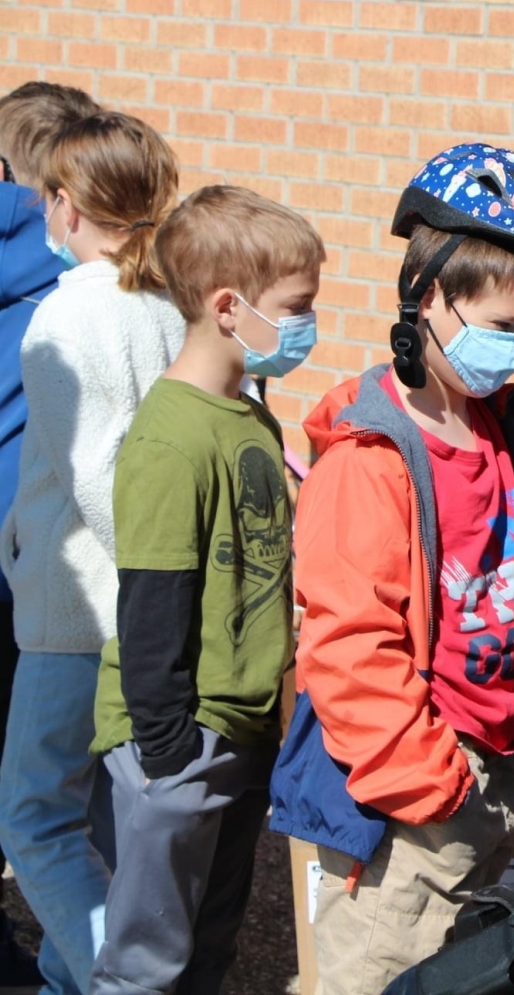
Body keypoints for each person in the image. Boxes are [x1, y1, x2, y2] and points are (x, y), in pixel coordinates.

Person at [268, 144, 514, 995]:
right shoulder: (372, 457)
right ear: (427, 300)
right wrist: (431, 783)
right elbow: (348, 643)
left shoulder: (494, 425)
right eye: (497, 329)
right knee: (378, 977)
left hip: (492, 772)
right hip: (416, 790)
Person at [85, 185, 324, 994]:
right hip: (182, 738)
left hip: (244, 729)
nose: (305, 326)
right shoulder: (170, 438)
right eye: (297, 306)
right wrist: (167, 751)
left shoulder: (252, 418)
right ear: (229, 307)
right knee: (145, 968)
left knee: (207, 952)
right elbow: (151, 602)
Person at [0, 109, 182, 995]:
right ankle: (74, 978)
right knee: (106, 822)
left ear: (65, 206)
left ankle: (120, 981)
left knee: (33, 823)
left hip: (76, 612)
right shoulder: (172, 304)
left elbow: (96, 476)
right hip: (144, 619)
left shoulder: (64, 319)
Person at [0, 78, 100, 995]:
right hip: (56, 566)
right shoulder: (93, 272)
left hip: (36, 561)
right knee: (61, 792)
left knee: (31, 803)